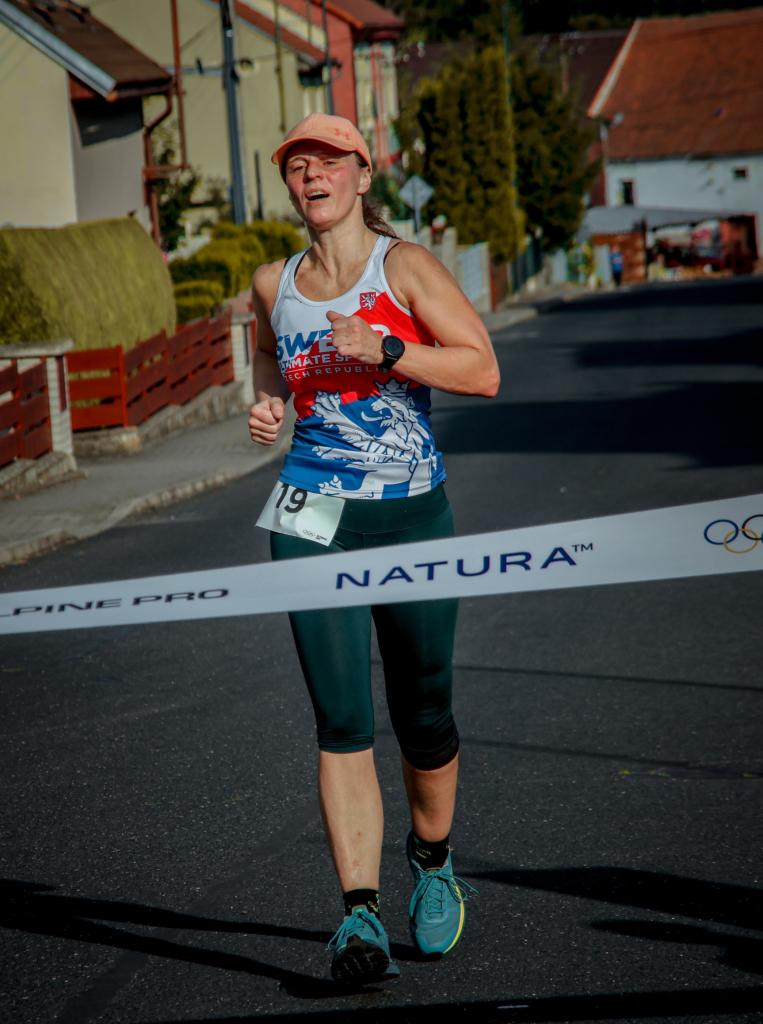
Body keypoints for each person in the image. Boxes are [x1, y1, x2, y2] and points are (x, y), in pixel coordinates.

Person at [248, 113, 499, 986]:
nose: (311, 176)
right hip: (308, 510)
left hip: (408, 512)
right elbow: (267, 357)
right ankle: (358, 914)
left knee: (422, 709)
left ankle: (432, 859)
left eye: (328, 161)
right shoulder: (271, 281)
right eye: (297, 166)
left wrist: (388, 347)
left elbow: (481, 369)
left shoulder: (406, 267)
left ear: (362, 174)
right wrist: (267, 405)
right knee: (341, 717)